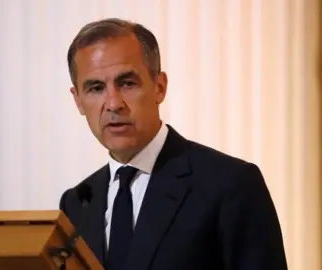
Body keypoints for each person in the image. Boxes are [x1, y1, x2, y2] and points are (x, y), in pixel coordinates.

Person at [58, 18, 288, 270]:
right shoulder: (75, 204)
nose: (113, 103)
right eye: (96, 88)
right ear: (78, 100)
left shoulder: (231, 185)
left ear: (159, 87)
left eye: (127, 83)